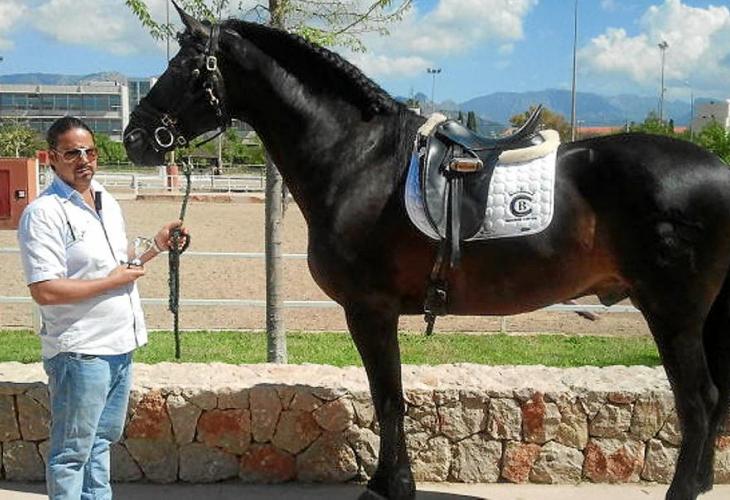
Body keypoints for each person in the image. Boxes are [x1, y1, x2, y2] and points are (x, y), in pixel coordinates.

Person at [16, 116, 187, 500]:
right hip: (80, 351)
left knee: (100, 444)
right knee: (71, 454)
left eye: (90, 152)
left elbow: (119, 262)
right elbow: (44, 290)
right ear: (51, 158)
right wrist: (111, 282)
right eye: (72, 153)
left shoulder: (106, 200)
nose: (84, 160)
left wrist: (158, 245)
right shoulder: (43, 213)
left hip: (119, 345)